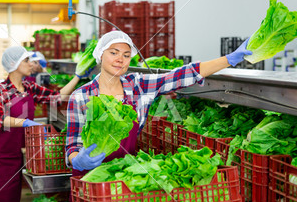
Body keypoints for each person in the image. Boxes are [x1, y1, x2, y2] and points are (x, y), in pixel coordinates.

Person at [65, 30, 252, 175]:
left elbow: (180, 75)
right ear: (100, 55)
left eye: (126, 55)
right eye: (114, 53)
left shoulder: (138, 85)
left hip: (122, 172)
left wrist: (229, 59)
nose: (120, 59)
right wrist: (77, 160)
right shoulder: (80, 96)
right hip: (88, 178)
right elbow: (72, 146)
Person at [0, 45, 90, 202]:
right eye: (26, 60)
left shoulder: (28, 87)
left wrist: (77, 75)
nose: (31, 64)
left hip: (14, 157)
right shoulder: (0, 89)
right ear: (14, 64)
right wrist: (26, 123)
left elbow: (57, 97)